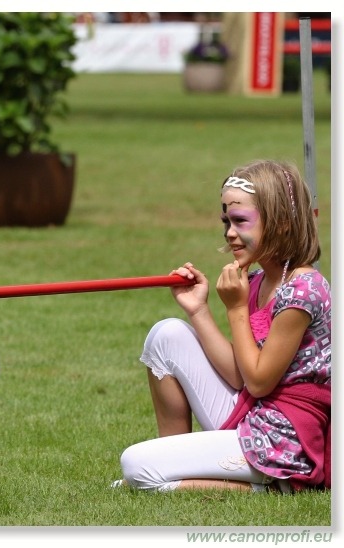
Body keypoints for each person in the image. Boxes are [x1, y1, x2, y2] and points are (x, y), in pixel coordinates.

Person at [116, 159, 331, 493]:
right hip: (254, 414)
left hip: (283, 439)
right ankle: (174, 460)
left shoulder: (304, 290)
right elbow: (239, 376)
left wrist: (235, 309)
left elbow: (258, 382)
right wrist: (198, 309)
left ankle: (271, 487)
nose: (230, 232)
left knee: (135, 465)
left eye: (240, 221)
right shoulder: (259, 281)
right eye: (226, 222)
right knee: (165, 334)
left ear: (283, 224)